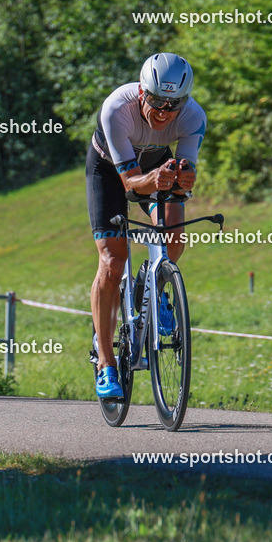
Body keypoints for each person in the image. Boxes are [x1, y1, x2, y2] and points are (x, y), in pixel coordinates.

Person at [85, 52, 206, 399]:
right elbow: (130, 185)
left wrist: (183, 180)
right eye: (156, 101)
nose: (164, 112)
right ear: (141, 92)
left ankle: (154, 284)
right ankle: (106, 365)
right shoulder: (115, 109)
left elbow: (185, 181)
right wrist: (153, 179)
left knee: (174, 238)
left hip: (157, 163)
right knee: (112, 259)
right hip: (111, 171)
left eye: (174, 104)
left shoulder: (194, 116)